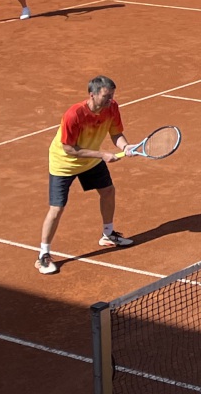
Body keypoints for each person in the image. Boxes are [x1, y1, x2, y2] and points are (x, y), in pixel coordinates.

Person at [37, 76, 132, 274]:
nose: (110, 100)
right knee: (57, 208)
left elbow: (116, 134)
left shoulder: (112, 107)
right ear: (92, 95)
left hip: (91, 160)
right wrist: (102, 155)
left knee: (108, 191)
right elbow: (69, 149)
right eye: (106, 96)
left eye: (112, 95)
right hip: (64, 164)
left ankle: (108, 234)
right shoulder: (74, 115)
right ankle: (43, 255)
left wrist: (125, 146)